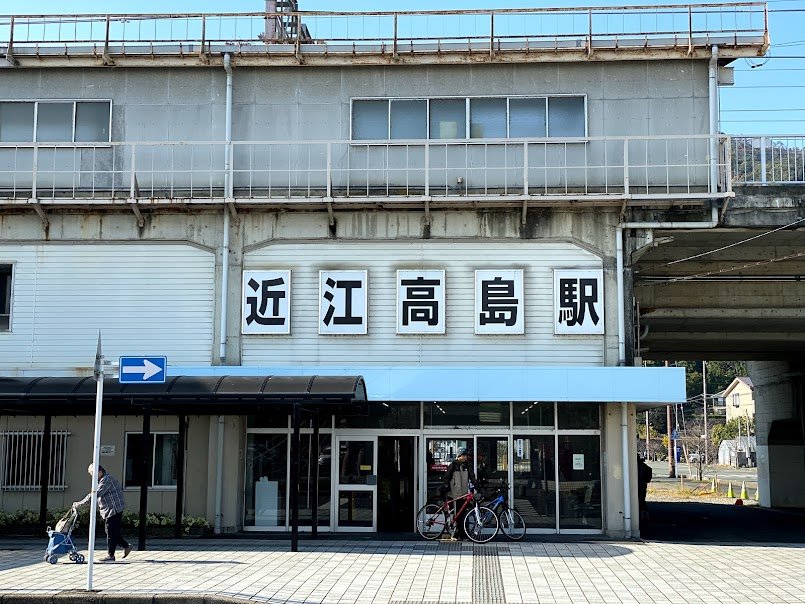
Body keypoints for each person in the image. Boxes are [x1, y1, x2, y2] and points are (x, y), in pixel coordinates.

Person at [74, 464, 131, 562]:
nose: (92, 476)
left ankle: (111, 556)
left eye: (93, 474)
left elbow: (96, 494)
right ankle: (126, 546)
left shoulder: (106, 480)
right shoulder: (102, 480)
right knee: (112, 532)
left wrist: (80, 504)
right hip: (111, 509)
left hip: (114, 509)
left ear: (99, 472)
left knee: (111, 533)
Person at [444, 448, 476, 539]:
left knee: (462, 514)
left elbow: (472, 476)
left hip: (464, 494)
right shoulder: (453, 465)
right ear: (459, 456)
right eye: (464, 455)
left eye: (466, 455)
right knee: (457, 514)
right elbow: (447, 478)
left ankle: (462, 533)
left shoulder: (467, 465)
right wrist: (446, 487)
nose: (466, 457)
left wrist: (476, 484)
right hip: (455, 494)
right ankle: (457, 533)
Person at [637, 455, 653, 523]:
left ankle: (642, 516)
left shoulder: (639, 466)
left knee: (640, 501)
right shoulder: (645, 466)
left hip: (640, 485)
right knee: (642, 501)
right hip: (642, 485)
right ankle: (644, 515)